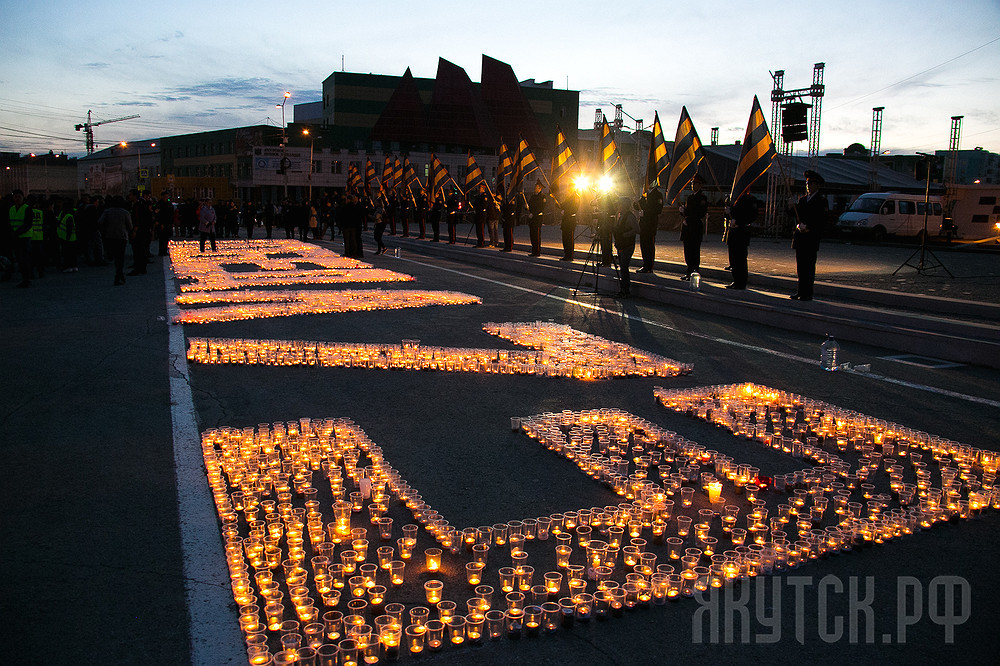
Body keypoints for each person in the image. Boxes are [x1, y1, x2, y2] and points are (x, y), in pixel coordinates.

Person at [791, 170, 828, 301]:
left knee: (809, 267)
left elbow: (822, 220)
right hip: (801, 238)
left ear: (817, 185)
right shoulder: (802, 200)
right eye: (807, 183)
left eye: (811, 183)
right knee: (800, 267)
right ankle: (800, 291)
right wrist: (791, 207)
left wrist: (809, 227)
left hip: (811, 238)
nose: (808, 185)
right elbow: (796, 216)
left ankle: (807, 293)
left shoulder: (821, 201)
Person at [725, 192, 759, 289]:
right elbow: (729, 215)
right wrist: (727, 213)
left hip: (742, 232)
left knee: (741, 258)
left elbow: (752, 216)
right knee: (733, 258)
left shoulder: (750, 199)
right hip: (733, 232)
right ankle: (736, 280)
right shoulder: (733, 197)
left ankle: (741, 282)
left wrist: (739, 222)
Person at [678, 173, 708, 280]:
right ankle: (688, 271)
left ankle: (694, 272)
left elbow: (699, 213)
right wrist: (683, 211)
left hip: (695, 228)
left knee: (694, 252)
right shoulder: (690, 197)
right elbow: (688, 212)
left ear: (700, 185)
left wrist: (687, 217)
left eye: (695, 183)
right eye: (692, 183)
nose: (693, 185)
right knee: (687, 251)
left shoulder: (702, 198)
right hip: (688, 228)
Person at [98, 196, 132, 286]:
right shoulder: (125, 213)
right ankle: (119, 274)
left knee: (115, 255)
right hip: (122, 236)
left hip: (110, 236)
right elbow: (130, 226)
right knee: (120, 256)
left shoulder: (107, 212)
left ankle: (119, 273)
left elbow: (100, 222)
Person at [614, 196, 640, 298]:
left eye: (620, 204)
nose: (618, 206)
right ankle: (623, 288)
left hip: (627, 245)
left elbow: (637, 230)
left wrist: (625, 235)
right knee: (622, 267)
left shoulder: (630, 216)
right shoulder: (620, 216)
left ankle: (626, 289)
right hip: (621, 244)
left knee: (624, 267)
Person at [8, 189, 33, 287]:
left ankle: (26, 279)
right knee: (19, 258)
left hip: (25, 237)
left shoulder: (27, 208)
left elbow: (28, 224)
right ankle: (25, 278)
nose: (17, 198)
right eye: (15, 197)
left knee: (24, 259)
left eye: (19, 196)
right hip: (16, 237)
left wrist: (16, 233)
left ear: (23, 197)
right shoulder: (11, 209)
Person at [637, 184, 664, 272]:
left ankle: (649, 266)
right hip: (643, 225)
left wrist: (645, 212)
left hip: (650, 224)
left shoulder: (657, 194)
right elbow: (638, 205)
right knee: (643, 245)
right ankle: (645, 264)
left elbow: (658, 209)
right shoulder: (645, 194)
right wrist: (636, 203)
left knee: (649, 246)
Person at [556, 184, 580, 261]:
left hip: (570, 220)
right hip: (566, 220)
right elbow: (563, 206)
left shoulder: (576, 197)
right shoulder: (568, 197)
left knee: (569, 239)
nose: (568, 190)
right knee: (565, 238)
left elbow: (574, 209)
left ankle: (570, 256)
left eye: (569, 188)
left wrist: (565, 212)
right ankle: (566, 254)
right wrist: (557, 204)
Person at [56, 197, 78, 272]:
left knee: (66, 252)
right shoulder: (75, 211)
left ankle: (68, 266)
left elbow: (61, 223)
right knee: (73, 252)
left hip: (65, 236)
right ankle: (74, 265)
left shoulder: (65, 213)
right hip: (73, 236)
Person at [527, 182, 547, 256]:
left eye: (536, 187)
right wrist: (527, 207)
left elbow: (541, 208)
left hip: (537, 218)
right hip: (532, 219)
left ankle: (537, 251)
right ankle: (533, 251)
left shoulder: (542, 197)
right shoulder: (533, 196)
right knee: (532, 235)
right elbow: (530, 205)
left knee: (537, 236)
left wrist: (533, 214)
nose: (534, 188)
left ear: (540, 188)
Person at [154, 191, 174, 256]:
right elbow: (158, 214)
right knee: (162, 238)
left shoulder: (169, 204)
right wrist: (160, 223)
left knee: (166, 238)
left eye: (167, 196)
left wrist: (171, 222)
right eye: (165, 196)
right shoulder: (159, 204)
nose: (166, 198)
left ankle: (164, 250)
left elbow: (171, 214)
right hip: (162, 223)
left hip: (168, 223)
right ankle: (161, 251)